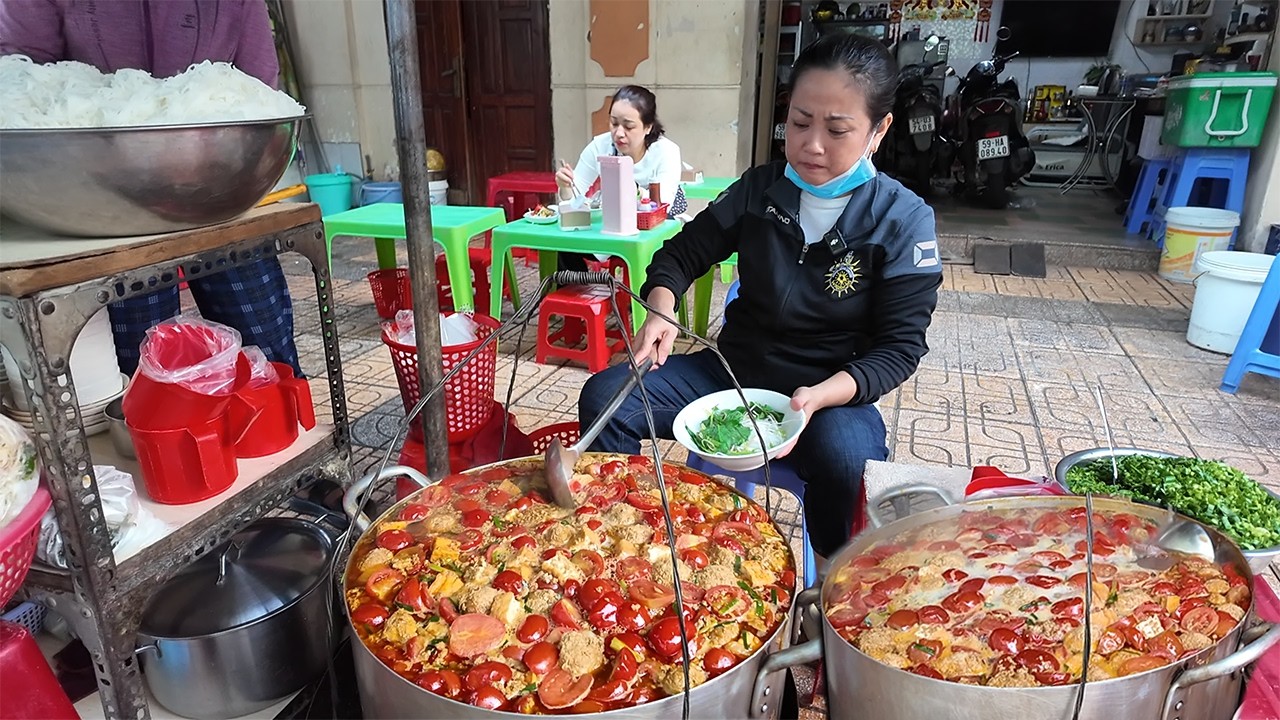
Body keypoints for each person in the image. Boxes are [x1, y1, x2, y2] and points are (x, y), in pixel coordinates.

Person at [577, 34, 943, 567]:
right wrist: (660, 306)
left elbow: (899, 349)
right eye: (798, 123)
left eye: (837, 129)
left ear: (878, 130)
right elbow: (682, 253)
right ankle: (619, 547)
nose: (811, 145)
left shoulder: (902, 220)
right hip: (732, 371)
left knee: (847, 460)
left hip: (829, 393)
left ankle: (829, 588)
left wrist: (820, 396)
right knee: (607, 398)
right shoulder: (760, 190)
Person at [0, 0, 302, 377]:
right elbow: (26, 77)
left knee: (267, 347)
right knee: (140, 367)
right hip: (100, 202)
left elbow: (259, 85)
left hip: (220, 187)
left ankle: (282, 415)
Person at [555, 85, 687, 271]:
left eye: (628, 126)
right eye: (614, 123)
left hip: (655, 228)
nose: (618, 133)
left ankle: (643, 299)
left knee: (656, 261)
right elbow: (574, 199)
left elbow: (662, 205)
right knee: (566, 242)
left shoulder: (666, 152)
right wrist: (566, 186)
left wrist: (632, 191)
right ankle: (573, 295)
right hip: (611, 226)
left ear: (648, 127)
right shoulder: (600, 145)